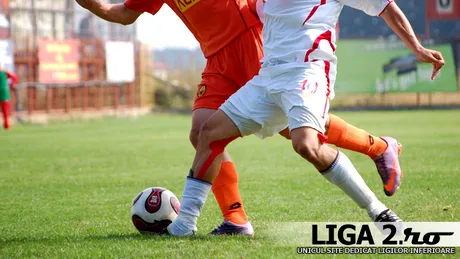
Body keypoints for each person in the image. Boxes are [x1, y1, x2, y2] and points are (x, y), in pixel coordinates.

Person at [76, 0, 404, 235]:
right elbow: (122, 14)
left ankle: (377, 147)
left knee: (294, 130)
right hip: (217, 59)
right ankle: (235, 219)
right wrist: (91, 5)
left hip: (252, 42)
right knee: (202, 132)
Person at [164, 0, 445, 236]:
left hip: (307, 73)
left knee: (306, 144)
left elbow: (386, 7)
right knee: (208, 133)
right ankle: (185, 225)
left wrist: (418, 49)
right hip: (267, 78)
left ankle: (380, 213)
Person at [0, 62, 18, 130]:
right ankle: (6, 125)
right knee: (5, 109)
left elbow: (14, 77)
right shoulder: (5, 72)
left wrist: (12, 84)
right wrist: (12, 85)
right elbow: (14, 77)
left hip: (4, 93)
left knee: (5, 109)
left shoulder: (4, 72)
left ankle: (6, 125)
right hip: (4, 92)